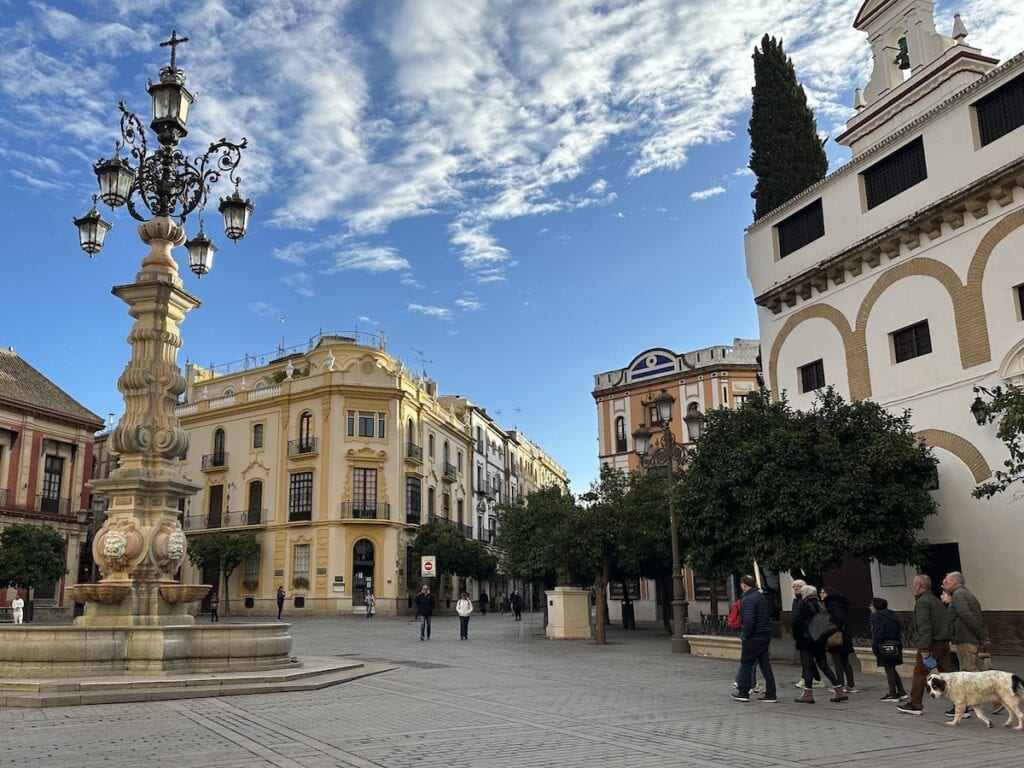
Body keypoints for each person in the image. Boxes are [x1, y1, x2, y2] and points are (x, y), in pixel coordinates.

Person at [897, 574, 952, 715]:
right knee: (947, 675)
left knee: (920, 673)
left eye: (914, 585)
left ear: (918, 586)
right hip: (944, 642)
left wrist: (924, 649)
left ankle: (915, 704)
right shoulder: (936, 600)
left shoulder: (923, 602)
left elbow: (924, 627)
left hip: (931, 643)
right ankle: (960, 705)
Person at [942, 571, 991, 718]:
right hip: (966, 637)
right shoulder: (960, 595)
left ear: (954, 582)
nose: (943, 584)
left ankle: (993, 699)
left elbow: (967, 616)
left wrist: (983, 635)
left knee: (969, 673)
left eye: (946, 582)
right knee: (974, 670)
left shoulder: (959, 595)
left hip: (966, 638)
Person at [731, 575, 778, 703]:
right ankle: (771, 693)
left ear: (743, 585)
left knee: (746, 663)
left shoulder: (748, 599)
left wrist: (745, 635)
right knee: (764, 664)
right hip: (764, 634)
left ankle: (743, 692)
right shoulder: (760, 597)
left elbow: (749, 621)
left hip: (754, 636)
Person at [792, 584, 842, 703]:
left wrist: (798, 636)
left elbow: (795, 622)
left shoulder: (803, 605)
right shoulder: (820, 604)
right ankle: (839, 690)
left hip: (806, 640)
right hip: (820, 639)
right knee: (823, 664)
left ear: (804, 594)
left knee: (807, 666)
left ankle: (808, 693)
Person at [820, 585, 857, 697]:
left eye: (823, 592)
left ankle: (839, 685)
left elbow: (837, 618)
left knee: (837, 661)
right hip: (845, 635)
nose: (821, 594)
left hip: (837, 635)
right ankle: (850, 685)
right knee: (845, 661)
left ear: (828, 594)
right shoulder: (839, 603)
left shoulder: (831, 604)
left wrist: (831, 628)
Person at [870, 597, 907, 701]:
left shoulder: (877, 617)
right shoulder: (892, 615)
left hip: (884, 645)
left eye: (871, 605)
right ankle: (901, 691)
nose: (870, 607)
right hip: (895, 644)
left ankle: (892, 694)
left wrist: (875, 645)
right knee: (892, 668)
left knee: (888, 668)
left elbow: (878, 632)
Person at [791, 579, 822, 689]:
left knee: (808, 659)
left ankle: (810, 682)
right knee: (808, 659)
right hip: (802, 634)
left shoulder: (804, 602)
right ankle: (811, 679)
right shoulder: (796, 600)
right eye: (794, 587)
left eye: (798, 586)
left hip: (806, 634)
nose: (796, 589)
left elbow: (799, 618)